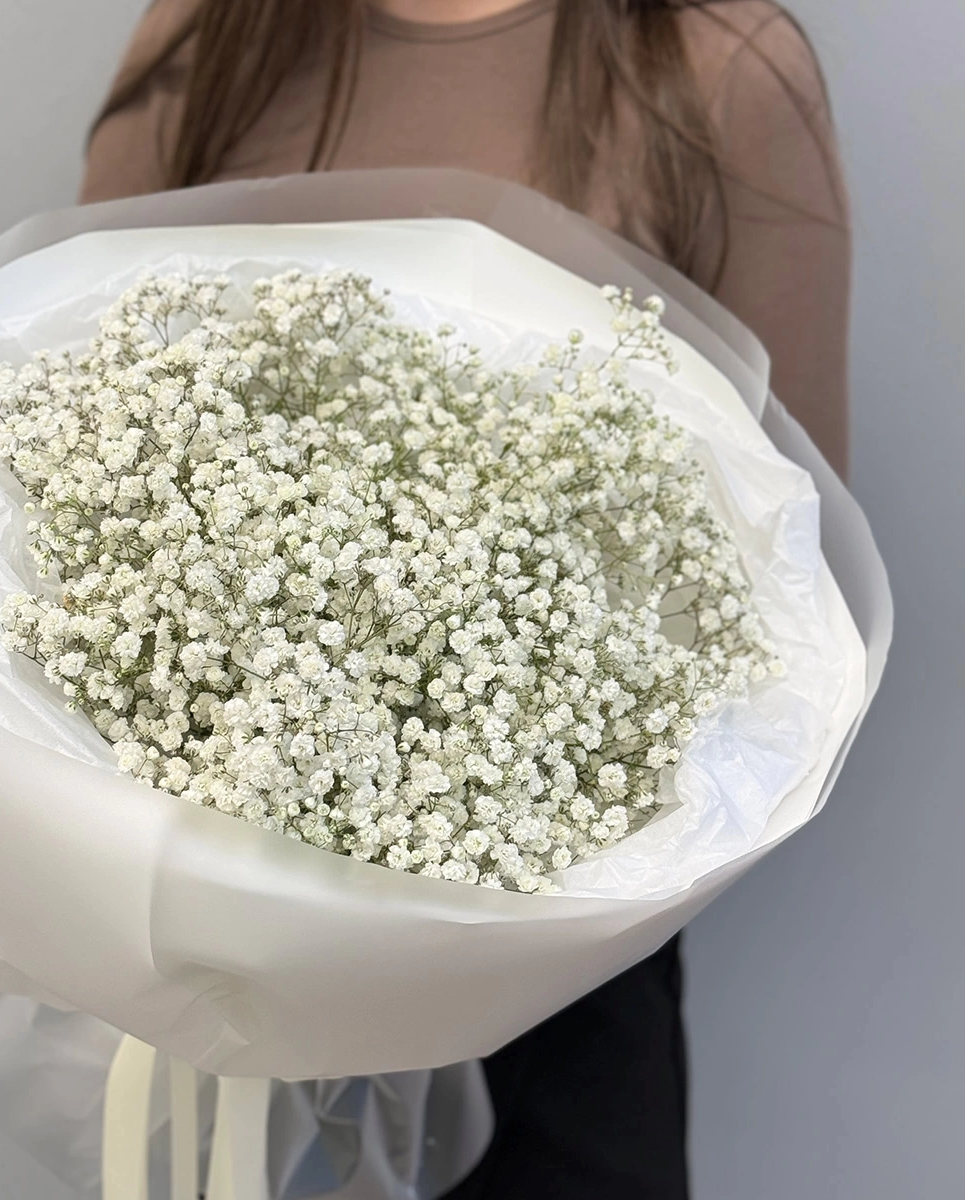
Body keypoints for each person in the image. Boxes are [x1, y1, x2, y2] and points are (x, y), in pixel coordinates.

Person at [80, 2, 850, 1196]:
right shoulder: (212, 36)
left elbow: (794, 583)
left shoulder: (715, 66)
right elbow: (75, 434)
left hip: (565, 1000)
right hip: (211, 973)